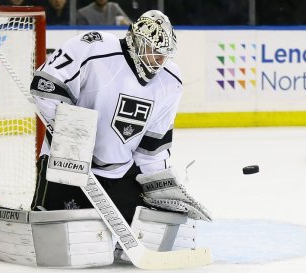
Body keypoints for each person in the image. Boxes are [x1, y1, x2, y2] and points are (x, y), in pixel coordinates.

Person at [29, 10, 211, 226]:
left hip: (119, 174)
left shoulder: (171, 81)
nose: (160, 60)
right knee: (51, 234)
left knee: (142, 234)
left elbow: (152, 146)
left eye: (165, 54)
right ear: (136, 42)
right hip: (66, 166)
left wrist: (161, 185)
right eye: (154, 51)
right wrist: (76, 142)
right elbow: (45, 88)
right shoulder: (93, 47)